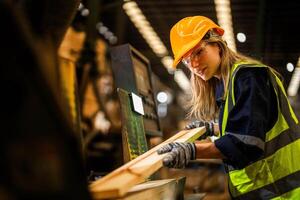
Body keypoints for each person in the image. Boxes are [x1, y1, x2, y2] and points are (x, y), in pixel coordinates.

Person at [157, 16, 300, 199]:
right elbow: (255, 123)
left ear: (218, 44)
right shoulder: (229, 83)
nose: (193, 65)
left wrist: (192, 150)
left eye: (198, 52)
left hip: (282, 192)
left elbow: (246, 143)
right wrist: (214, 128)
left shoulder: (249, 77)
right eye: (186, 61)